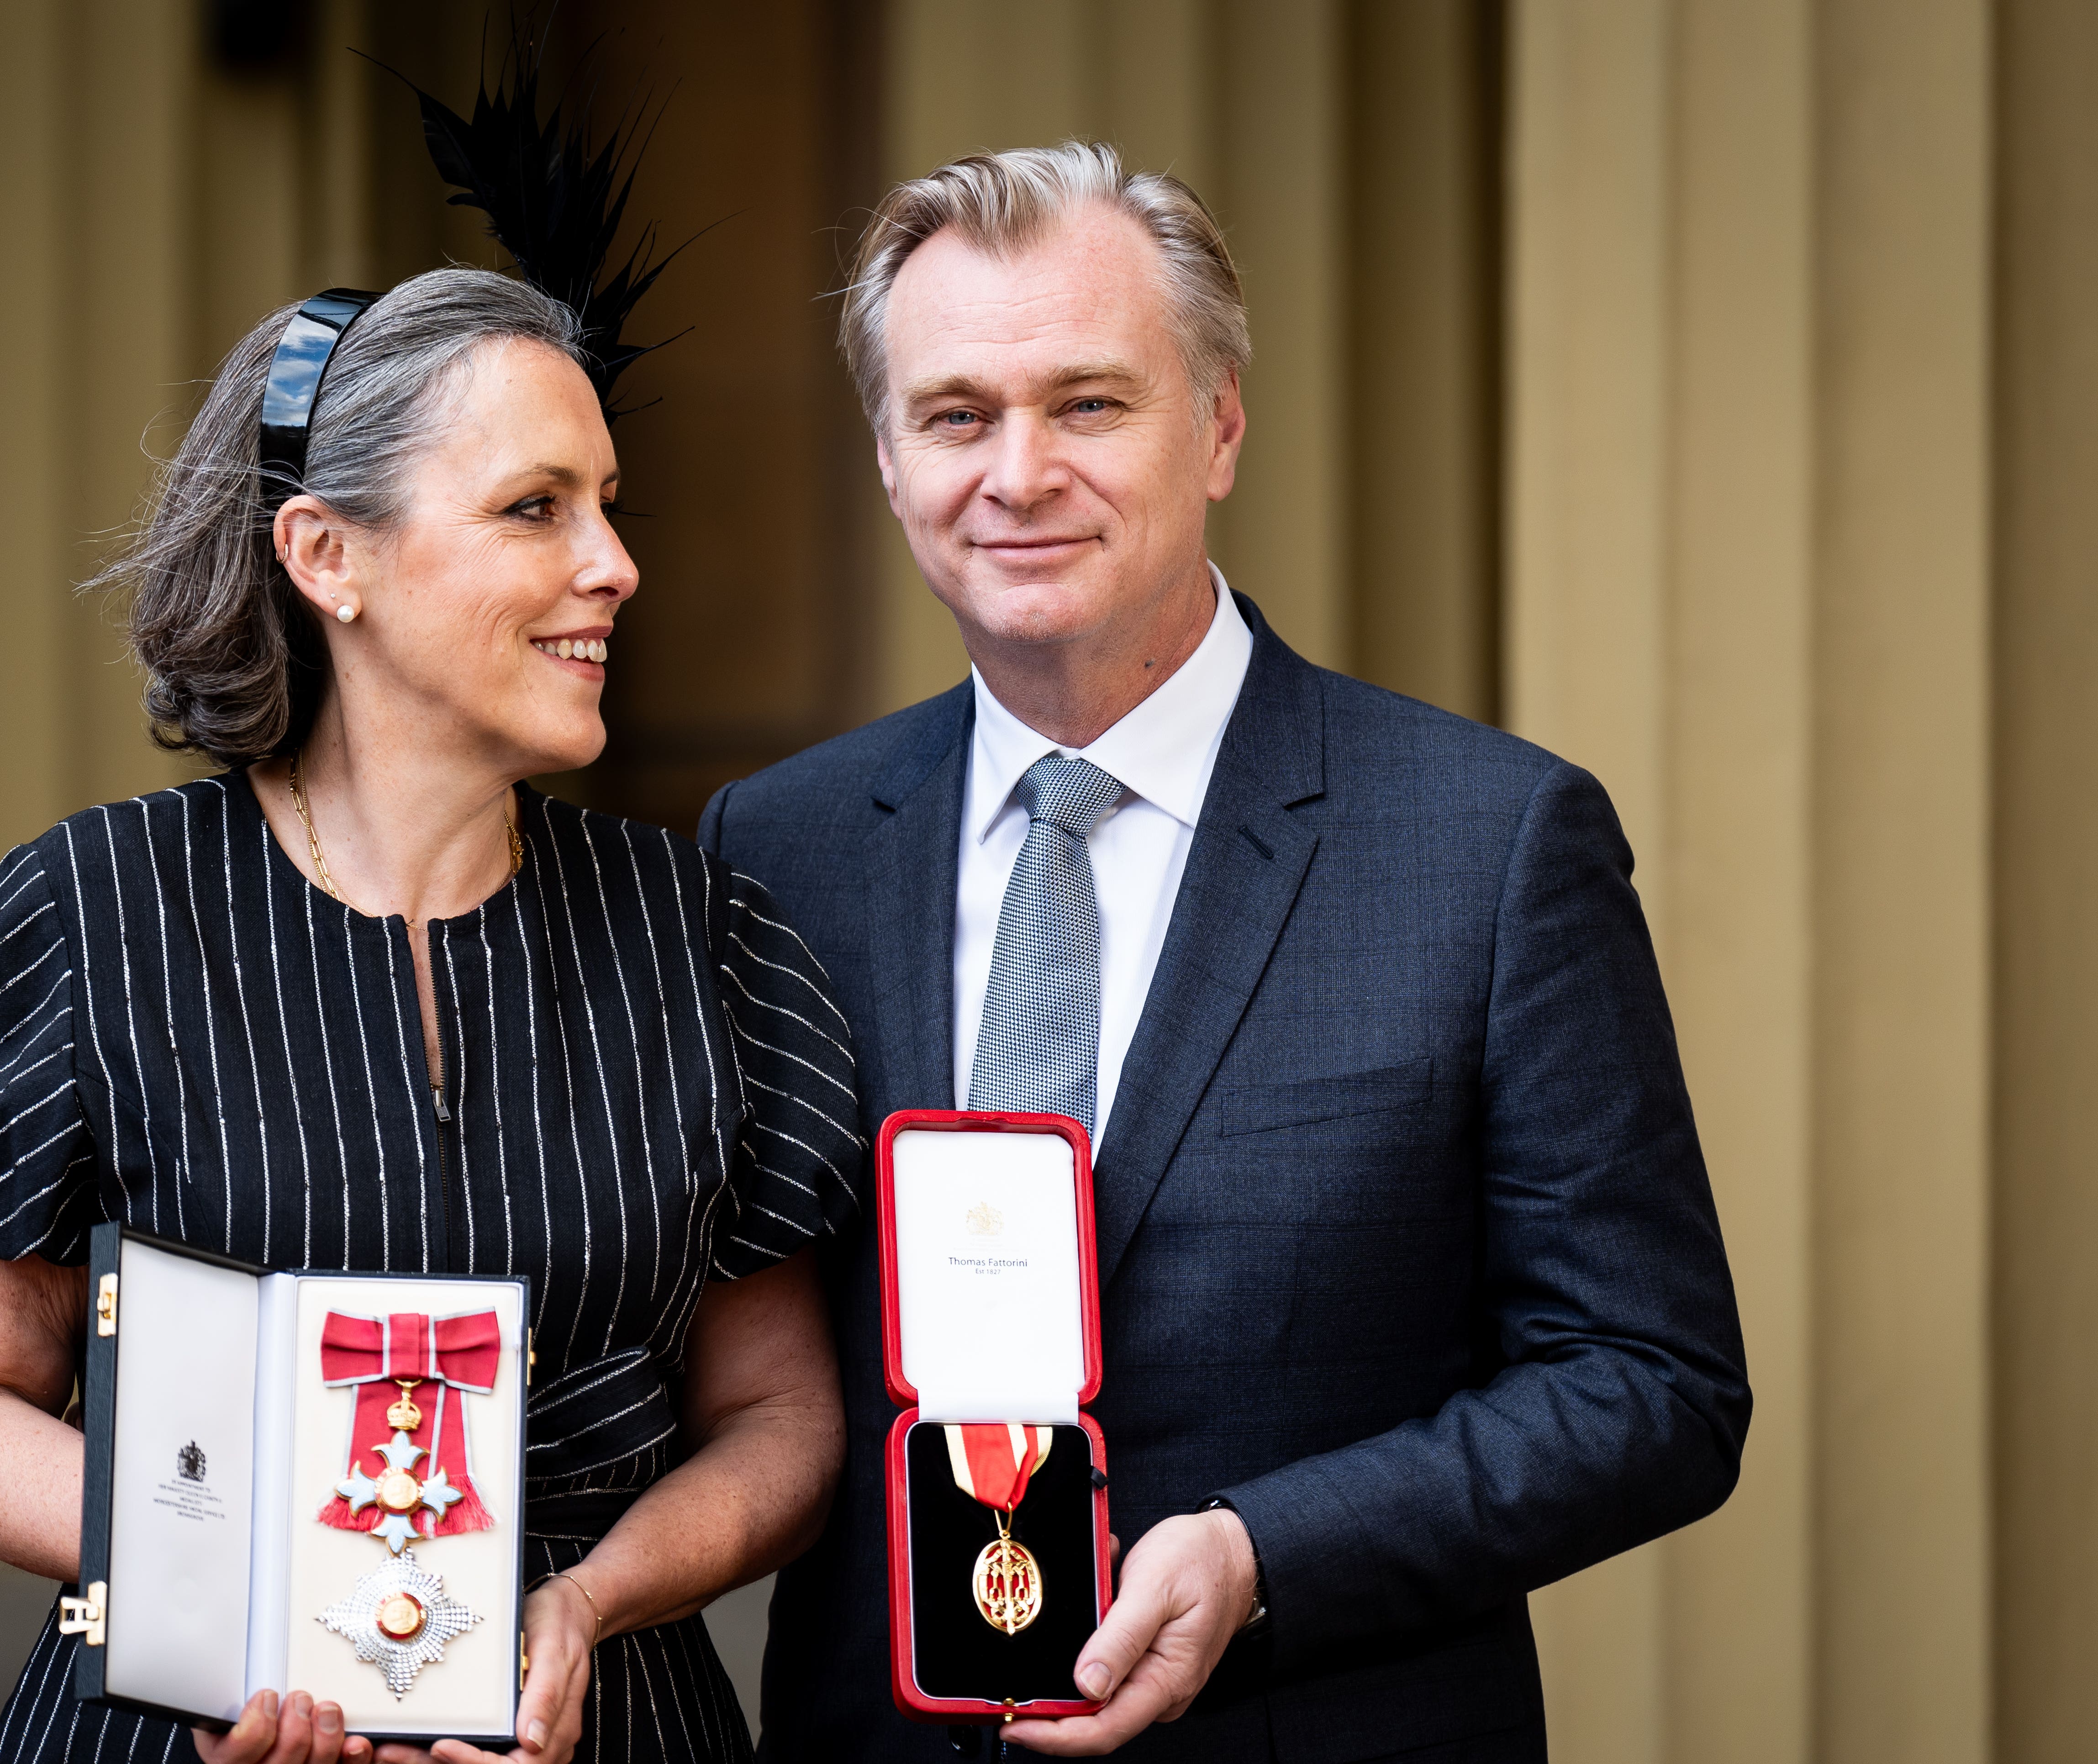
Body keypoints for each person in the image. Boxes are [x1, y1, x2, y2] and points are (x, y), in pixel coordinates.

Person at [701, 143, 1749, 1762]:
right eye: (957, 414)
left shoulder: (1486, 844)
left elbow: (1648, 1383)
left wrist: (1262, 1555)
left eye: (1090, 404)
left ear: (1222, 428)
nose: (1019, 471)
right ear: (891, 461)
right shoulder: (778, 850)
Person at [0, 267, 863, 1764]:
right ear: (327, 555)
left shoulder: (695, 930)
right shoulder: (95, 916)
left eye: (608, 504)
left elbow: (780, 1420)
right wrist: (253, 1609)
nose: (617, 563)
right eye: (535, 508)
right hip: (206, 1721)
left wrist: (584, 1605)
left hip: (602, 1721)